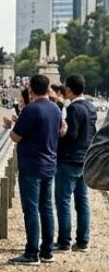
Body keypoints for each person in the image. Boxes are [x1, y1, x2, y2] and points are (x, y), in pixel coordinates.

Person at [4, 75, 64, 265]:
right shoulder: (55, 108)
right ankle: (47, 251)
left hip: (31, 165)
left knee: (31, 210)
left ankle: (32, 252)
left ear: (31, 89)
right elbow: (61, 131)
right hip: (49, 164)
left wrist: (9, 126)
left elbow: (16, 137)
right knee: (46, 208)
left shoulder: (31, 109)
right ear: (47, 88)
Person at [55, 74, 95, 252]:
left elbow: (71, 135)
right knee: (83, 201)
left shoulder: (73, 109)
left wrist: (61, 132)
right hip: (85, 159)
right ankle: (82, 241)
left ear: (69, 90)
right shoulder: (91, 107)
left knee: (63, 201)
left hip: (70, 159)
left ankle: (64, 241)